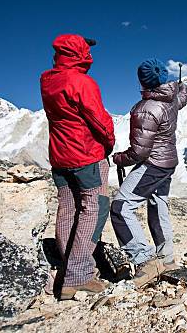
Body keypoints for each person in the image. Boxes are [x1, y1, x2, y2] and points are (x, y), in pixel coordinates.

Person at [40, 34, 115, 300]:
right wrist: (109, 143)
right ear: (81, 54)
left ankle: (65, 267)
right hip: (86, 156)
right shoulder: (82, 82)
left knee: (67, 210)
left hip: (59, 158)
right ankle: (78, 276)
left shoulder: (47, 80)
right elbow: (99, 119)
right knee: (94, 209)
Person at [110, 59, 187, 288]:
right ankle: (166, 258)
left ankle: (144, 260)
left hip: (152, 164)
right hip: (168, 162)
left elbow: (139, 152)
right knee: (158, 204)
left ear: (142, 81)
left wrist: (118, 158)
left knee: (121, 207)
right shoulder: (172, 98)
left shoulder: (145, 109)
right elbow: (182, 96)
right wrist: (182, 86)